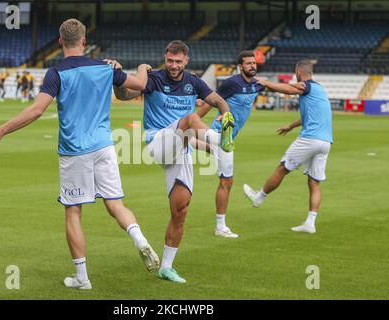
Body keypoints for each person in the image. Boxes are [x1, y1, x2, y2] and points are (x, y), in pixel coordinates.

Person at [0, 18, 160, 290]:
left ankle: (82, 279)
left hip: (74, 152)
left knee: (73, 212)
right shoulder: (105, 68)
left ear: (61, 42)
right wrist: (143, 68)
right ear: (84, 41)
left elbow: (36, 110)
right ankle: (140, 239)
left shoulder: (56, 73)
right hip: (104, 146)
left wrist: (2, 130)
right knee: (115, 204)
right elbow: (141, 85)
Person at [113, 40, 234, 283]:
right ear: (165, 58)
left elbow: (218, 100)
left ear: (186, 61)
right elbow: (125, 94)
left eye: (178, 61)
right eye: (170, 60)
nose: (174, 65)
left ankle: (166, 267)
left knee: (180, 211)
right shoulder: (154, 78)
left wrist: (225, 112)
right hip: (158, 141)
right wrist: (117, 78)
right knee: (189, 119)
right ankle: (219, 140)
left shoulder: (194, 82)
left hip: (181, 150)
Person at [243, 60, 333, 234]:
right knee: (314, 183)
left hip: (309, 139)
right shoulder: (319, 89)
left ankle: (258, 197)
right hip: (326, 142)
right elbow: (308, 116)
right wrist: (290, 126)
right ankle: (310, 223)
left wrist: (266, 82)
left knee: (283, 168)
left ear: (298, 71)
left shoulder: (305, 86)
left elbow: (289, 90)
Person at [195, 50, 265, 238]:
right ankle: (220, 227)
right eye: (248, 63)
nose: (252, 66)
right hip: (222, 135)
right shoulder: (232, 83)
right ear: (240, 66)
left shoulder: (256, 84)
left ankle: (188, 140)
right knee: (226, 181)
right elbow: (210, 102)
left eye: (254, 63)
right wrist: (192, 120)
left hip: (226, 136)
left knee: (223, 172)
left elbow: (274, 88)